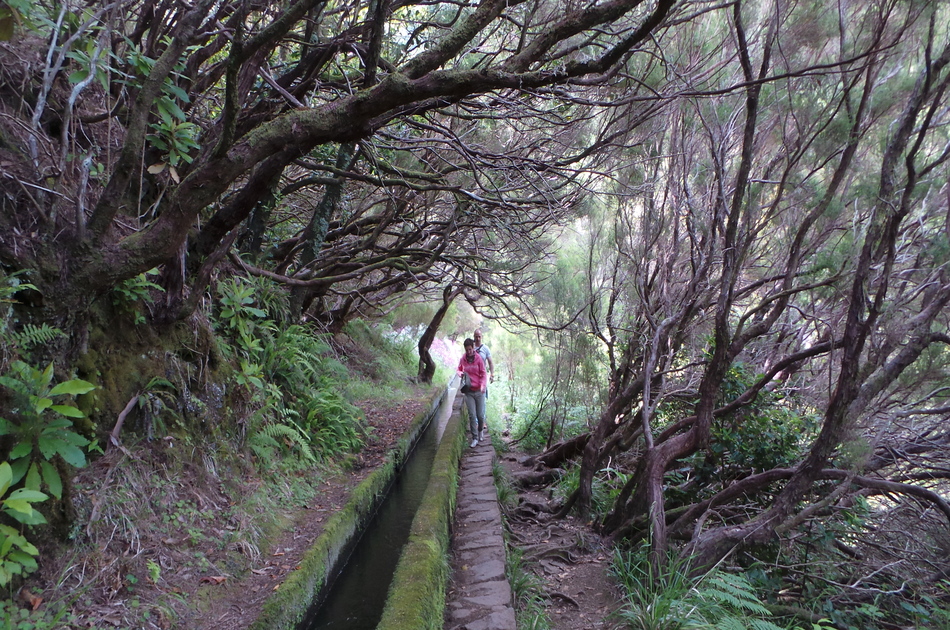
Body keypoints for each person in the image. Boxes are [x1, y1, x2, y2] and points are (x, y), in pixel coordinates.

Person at [457, 338, 487, 448]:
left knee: (480, 415)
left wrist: (483, 385)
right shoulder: (463, 359)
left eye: (470, 349)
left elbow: (483, 374)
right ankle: (474, 438)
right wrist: (460, 373)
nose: (469, 352)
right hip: (469, 391)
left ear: (473, 348)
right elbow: (459, 369)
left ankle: (480, 431)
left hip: (479, 391)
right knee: (472, 415)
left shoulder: (478, 359)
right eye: (467, 350)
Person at [473, 329, 494, 441]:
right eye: (476, 336)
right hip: (472, 379)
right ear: (473, 336)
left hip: (482, 379)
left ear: (482, 337)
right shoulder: (470, 347)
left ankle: (481, 421)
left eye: (479, 336)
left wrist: (492, 374)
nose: (477, 338)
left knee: (482, 399)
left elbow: (490, 362)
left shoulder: (485, 349)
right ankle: (477, 422)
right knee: (474, 401)